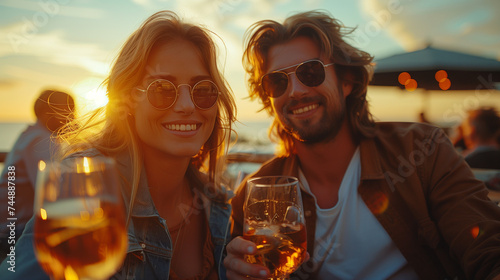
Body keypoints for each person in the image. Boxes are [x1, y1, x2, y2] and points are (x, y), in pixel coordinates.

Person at [224, 11, 500, 280]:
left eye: (310, 72)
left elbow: (487, 247)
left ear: (347, 81)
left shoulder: (422, 153)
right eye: (277, 81)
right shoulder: (251, 198)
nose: (295, 90)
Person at [0, 11, 236, 279]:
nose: (186, 105)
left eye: (203, 89)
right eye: (162, 88)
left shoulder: (217, 204)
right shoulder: (88, 191)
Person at [0, 89, 75, 260]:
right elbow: (56, 195)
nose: (73, 117)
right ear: (47, 112)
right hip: (12, 232)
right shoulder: (41, 141)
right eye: (67, 110)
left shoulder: (30, 134)